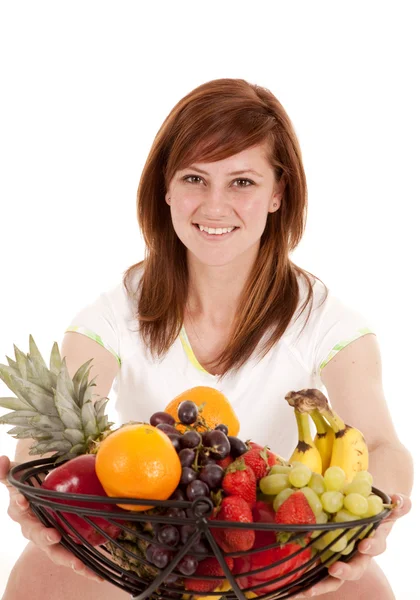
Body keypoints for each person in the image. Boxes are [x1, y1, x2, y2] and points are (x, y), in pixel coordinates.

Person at [0, 78, 413, 600]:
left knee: (365, 590)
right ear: (166, 189)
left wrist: (379, 516)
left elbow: (380, 443)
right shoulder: (112, 313)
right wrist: (37, 498)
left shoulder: (327, 320)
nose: (215, 206)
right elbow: (50, 436)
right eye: (196, 178)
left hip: (270, 553)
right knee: (40, 573)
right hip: (144, 545)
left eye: (242, 182)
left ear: (278, 193)